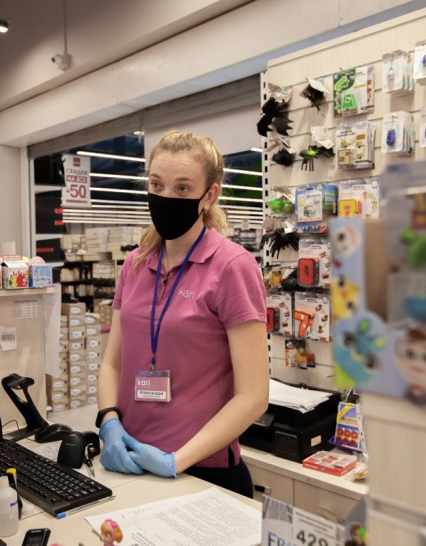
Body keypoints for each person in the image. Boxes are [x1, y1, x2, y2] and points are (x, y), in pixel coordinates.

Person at [95, 130, 269, 498]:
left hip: (204, 473)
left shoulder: (232, 267)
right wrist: (108, 421)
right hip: (130, 462)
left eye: (183, 188)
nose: (166, 198)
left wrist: (177, 460)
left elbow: (253, 396)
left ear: (209, 195)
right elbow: (112, 363)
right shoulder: (135, 263)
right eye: (156, 185)